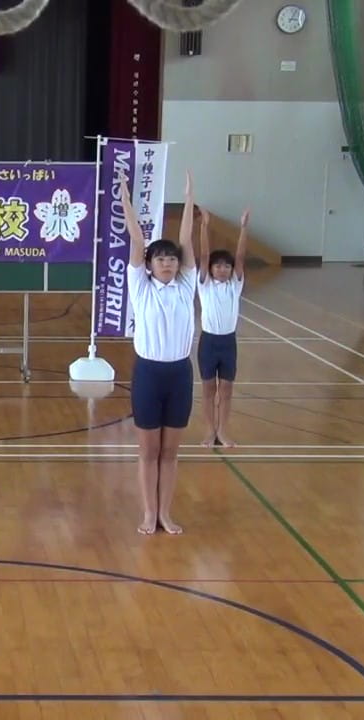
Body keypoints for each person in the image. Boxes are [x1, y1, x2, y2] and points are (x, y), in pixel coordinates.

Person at [122, 172, 198, 535]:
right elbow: (137, 239)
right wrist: (125, 199)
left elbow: (186, 240)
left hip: (180, 375)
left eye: (171, 259)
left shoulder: (186, 286)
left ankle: (165, 513)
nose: (166, 263)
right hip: (149, 375)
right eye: (160, 259)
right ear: (149, 264)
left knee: (170, 453)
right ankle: (148, 513)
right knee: (149, 451)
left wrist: (189, 198)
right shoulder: (140, 286)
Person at [196, 206, 249, 447]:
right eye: (217, 266)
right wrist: (204, 226)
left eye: (226, 266)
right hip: (208, 342)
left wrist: (243, 228)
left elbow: (240, 256)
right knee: (208, 389)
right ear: (210, 269)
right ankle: (210, 431)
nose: (222, 269)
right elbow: (204, 254)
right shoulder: (204, 285)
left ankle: (223, 431)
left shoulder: (234, 285)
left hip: (228, 343)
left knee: (226, 389)